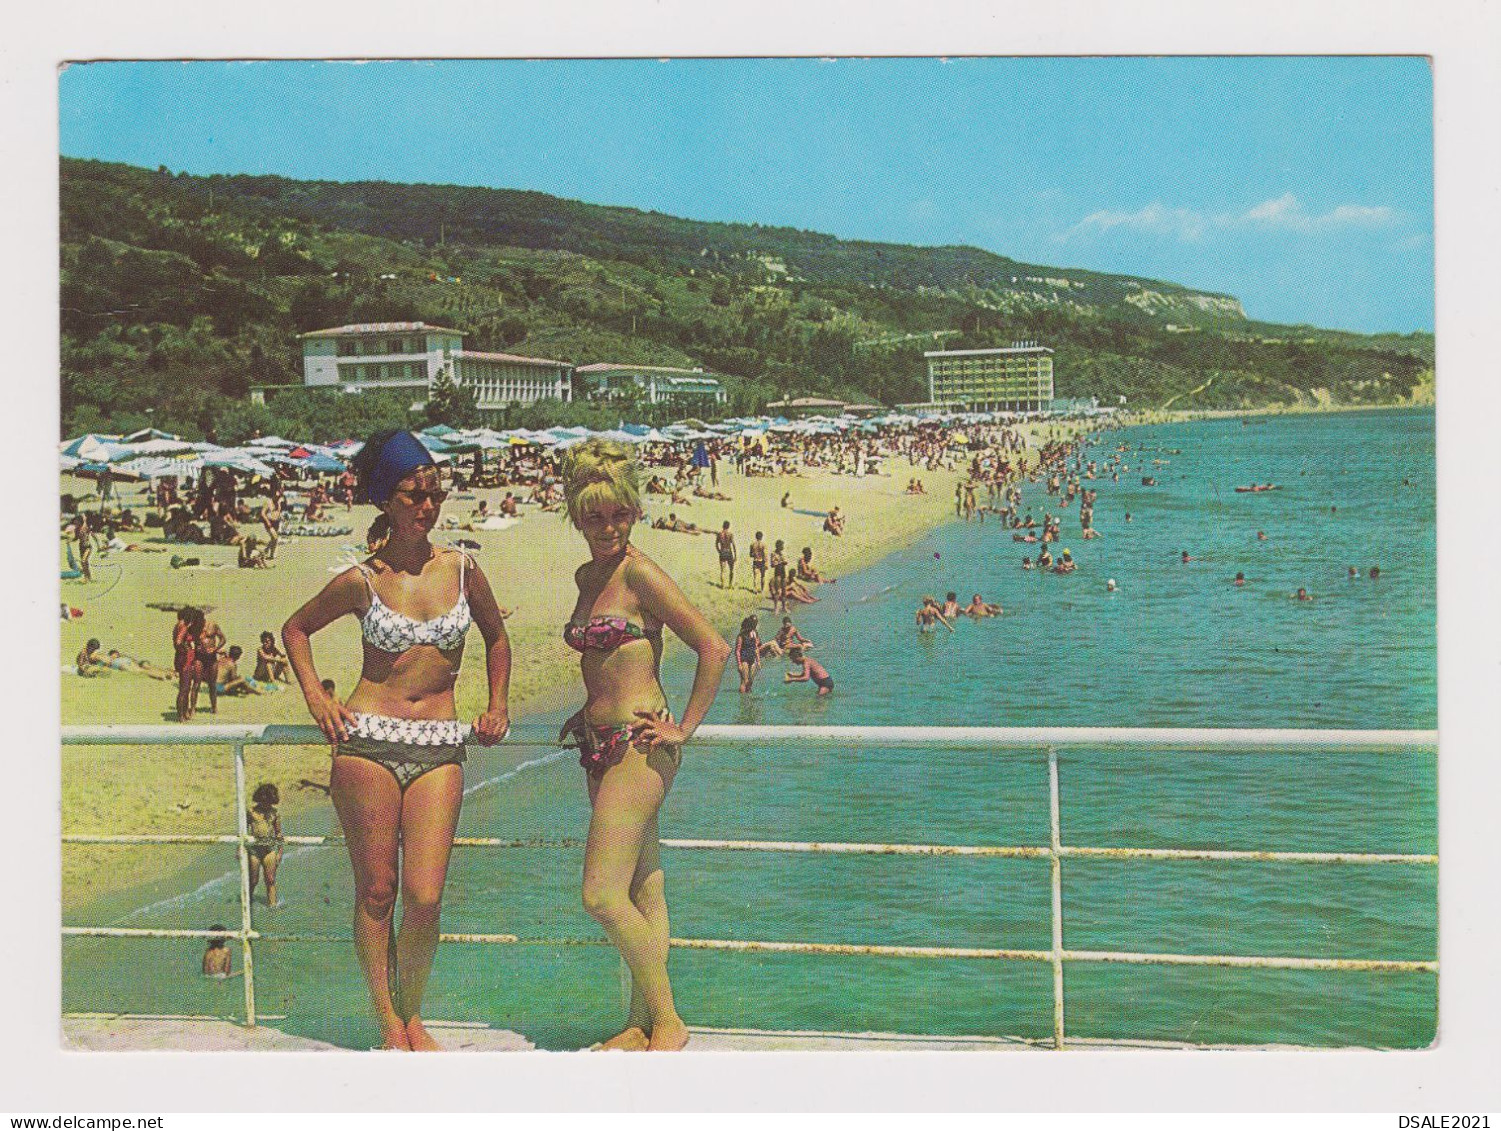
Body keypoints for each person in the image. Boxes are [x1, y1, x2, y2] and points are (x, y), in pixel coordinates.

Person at [282, 429, 512, 1051]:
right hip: (368, 743)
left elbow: (495, 636)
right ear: (386, 498)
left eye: (434, 494)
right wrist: (317, 698)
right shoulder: (361, 580)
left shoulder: (464, 569)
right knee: (378, 890)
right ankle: (389, 1020)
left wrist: (497, 704)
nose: (427, 506)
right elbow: (296, 628)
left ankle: (415, 1012)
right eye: (414, 494)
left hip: (441, 743)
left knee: (426, 895)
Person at [558, 439, 728, 1052]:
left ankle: (669, 1017)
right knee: (640, 889)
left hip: (640, 745)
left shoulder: (640, 572)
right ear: (577, 515)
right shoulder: (588, 576)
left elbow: (712, 647)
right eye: (596, 517)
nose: (609, 528)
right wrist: (586, 709)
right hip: (598, 744)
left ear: (634, 512)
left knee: (600, 894)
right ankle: (641, 1023)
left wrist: (683, 726)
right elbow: (609, 660)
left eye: (620, 515)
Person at [247, 783, 283, 906]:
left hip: (269, 849)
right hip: (255, 850)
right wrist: (240, 850)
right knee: (253, 880)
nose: (267, 805)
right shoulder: (251, 812)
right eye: (265, 802)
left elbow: (278, 834)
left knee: (271, 880)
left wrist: (280, 852)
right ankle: (248, 901)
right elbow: (242, 831)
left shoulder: (274, 813)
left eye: (270, 802)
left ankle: (272, 908)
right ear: (260, 799)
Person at [733, 615, 761, 693]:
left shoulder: (755, 633)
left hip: (752, 658)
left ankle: (748, 700)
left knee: (750, 682)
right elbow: (737, 650)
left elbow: (756, 648)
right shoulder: (741, 635)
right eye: (753, 624)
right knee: (745, 682)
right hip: (744, 659)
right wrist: (739, 664)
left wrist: (758, 661)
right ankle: (743, 700)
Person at [769, 539, 789, 614]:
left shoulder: (783, 553)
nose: (783, 547)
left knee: (784, 591)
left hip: (783, 573)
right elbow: (772, 564)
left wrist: (784, 562)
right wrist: (779, 562)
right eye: (782, 546)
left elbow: (786, 562)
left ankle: (784, 607)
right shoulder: (773, 554)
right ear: (778, 546)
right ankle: (776, 608)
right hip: (777, 573)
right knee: (777, 592)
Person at [715, 521, 737, 589]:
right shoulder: (730, 534)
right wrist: (735, 554)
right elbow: (733, 545)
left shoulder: (719, 534)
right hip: (729, 552)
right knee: (731, 570)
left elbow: (716, 544)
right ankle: (730, 585)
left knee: (722, 570)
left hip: (722, 552)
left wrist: (719, 551)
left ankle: (723, 585)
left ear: (723, 526)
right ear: (728, 526)